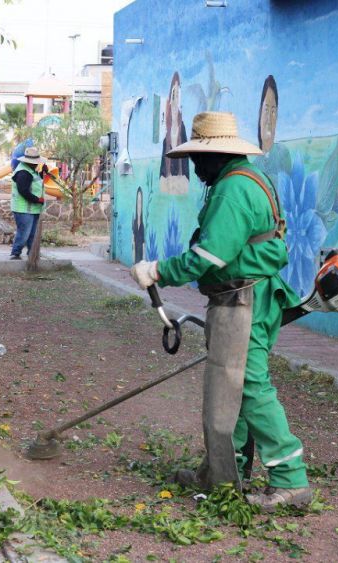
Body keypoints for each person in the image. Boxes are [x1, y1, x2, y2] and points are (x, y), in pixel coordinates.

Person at [129, 112, 310, 511]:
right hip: (247, 296)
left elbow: (210, 256)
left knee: (248, 386)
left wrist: (158, 270)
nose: (194, 167)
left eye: (198, 159)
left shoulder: (232, 190)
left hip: (244, 300)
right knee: (232, 384)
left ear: (217, 156)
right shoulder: (245, 179)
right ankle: (225, 472)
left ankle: (291, 481)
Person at [9, 146, 47, 260]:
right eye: (36, 162)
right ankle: (16, 253)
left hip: (32, 208)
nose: (37, 164)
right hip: (23, 208)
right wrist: (37, 199)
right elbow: (23, 191)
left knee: (32, 234)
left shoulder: (30, 170)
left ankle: (32, 252)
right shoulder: (23, 173)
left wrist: (42, 173)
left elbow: (35, 183)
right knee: (24, 233)